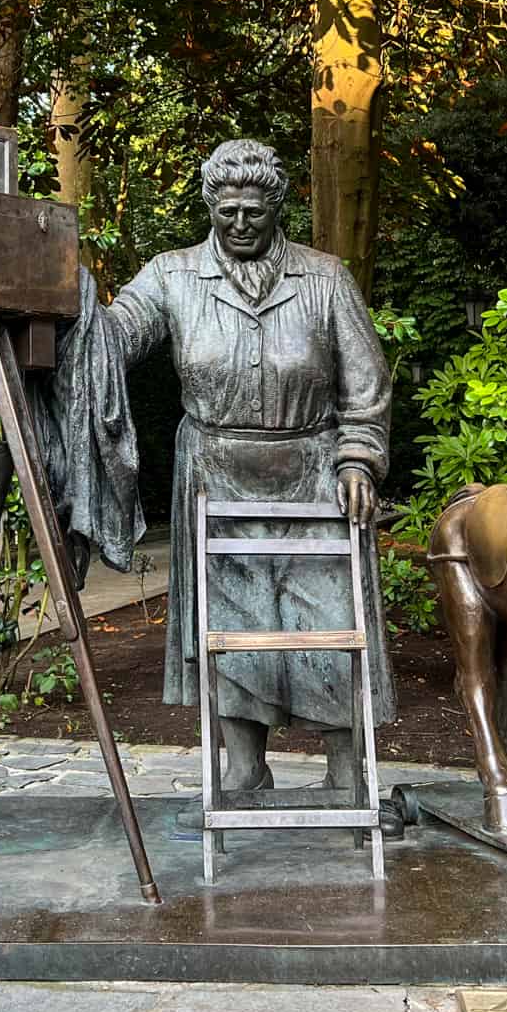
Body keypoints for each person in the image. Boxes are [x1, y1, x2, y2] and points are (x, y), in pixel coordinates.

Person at [106, 138, 394, 805]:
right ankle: (244, 764)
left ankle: (347, 764)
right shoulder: (172, 276)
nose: (239, 224)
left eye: (253, 213)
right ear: (210, 204)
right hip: (217, 473)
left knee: (327, 614)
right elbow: (115, 335)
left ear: (276, 208)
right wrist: (69, 311)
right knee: (231, 622)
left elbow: (367, 384)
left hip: (314, 470)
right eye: (227, 211)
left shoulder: (325, 279)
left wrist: (358, 456)